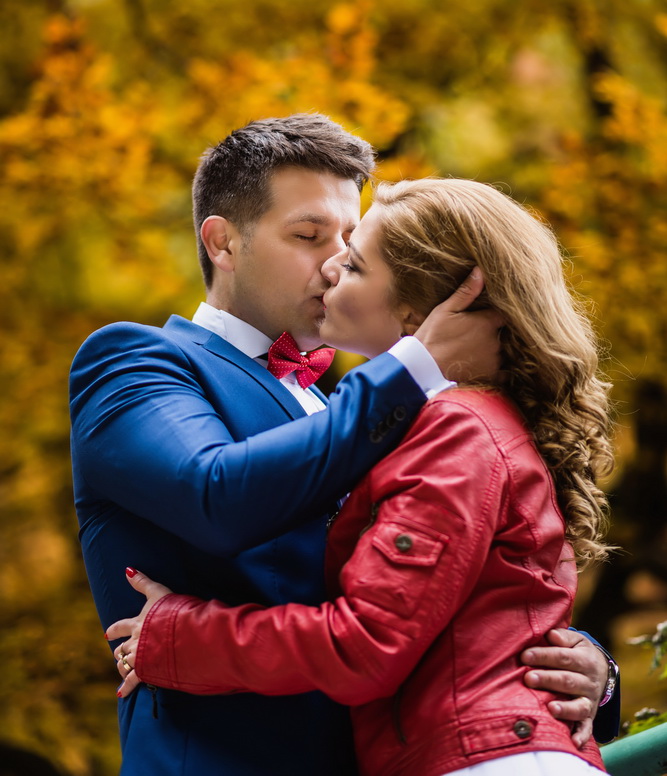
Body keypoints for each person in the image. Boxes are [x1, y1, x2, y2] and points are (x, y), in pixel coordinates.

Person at [70, 116, 615, 776]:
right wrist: (411, 367)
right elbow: (213, 496)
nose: (332, 262)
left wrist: (578, 664)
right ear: (222, 244)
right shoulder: (136, 363)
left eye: (349, 242)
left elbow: (422, 590)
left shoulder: (372, 414)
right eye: (307, 236)